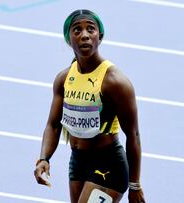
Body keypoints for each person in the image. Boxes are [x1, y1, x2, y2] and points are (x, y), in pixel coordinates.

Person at [34, 9, 145, 203]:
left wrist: (135, 185)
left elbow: (133, 134)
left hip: (109, 163)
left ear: (99, 36)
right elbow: (53, 125)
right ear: (68, 39)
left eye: (90, 30)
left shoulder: (115, 82)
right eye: (77, 30)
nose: (84, 35)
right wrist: (44, 158)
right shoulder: (64, 78)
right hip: (77, 162)